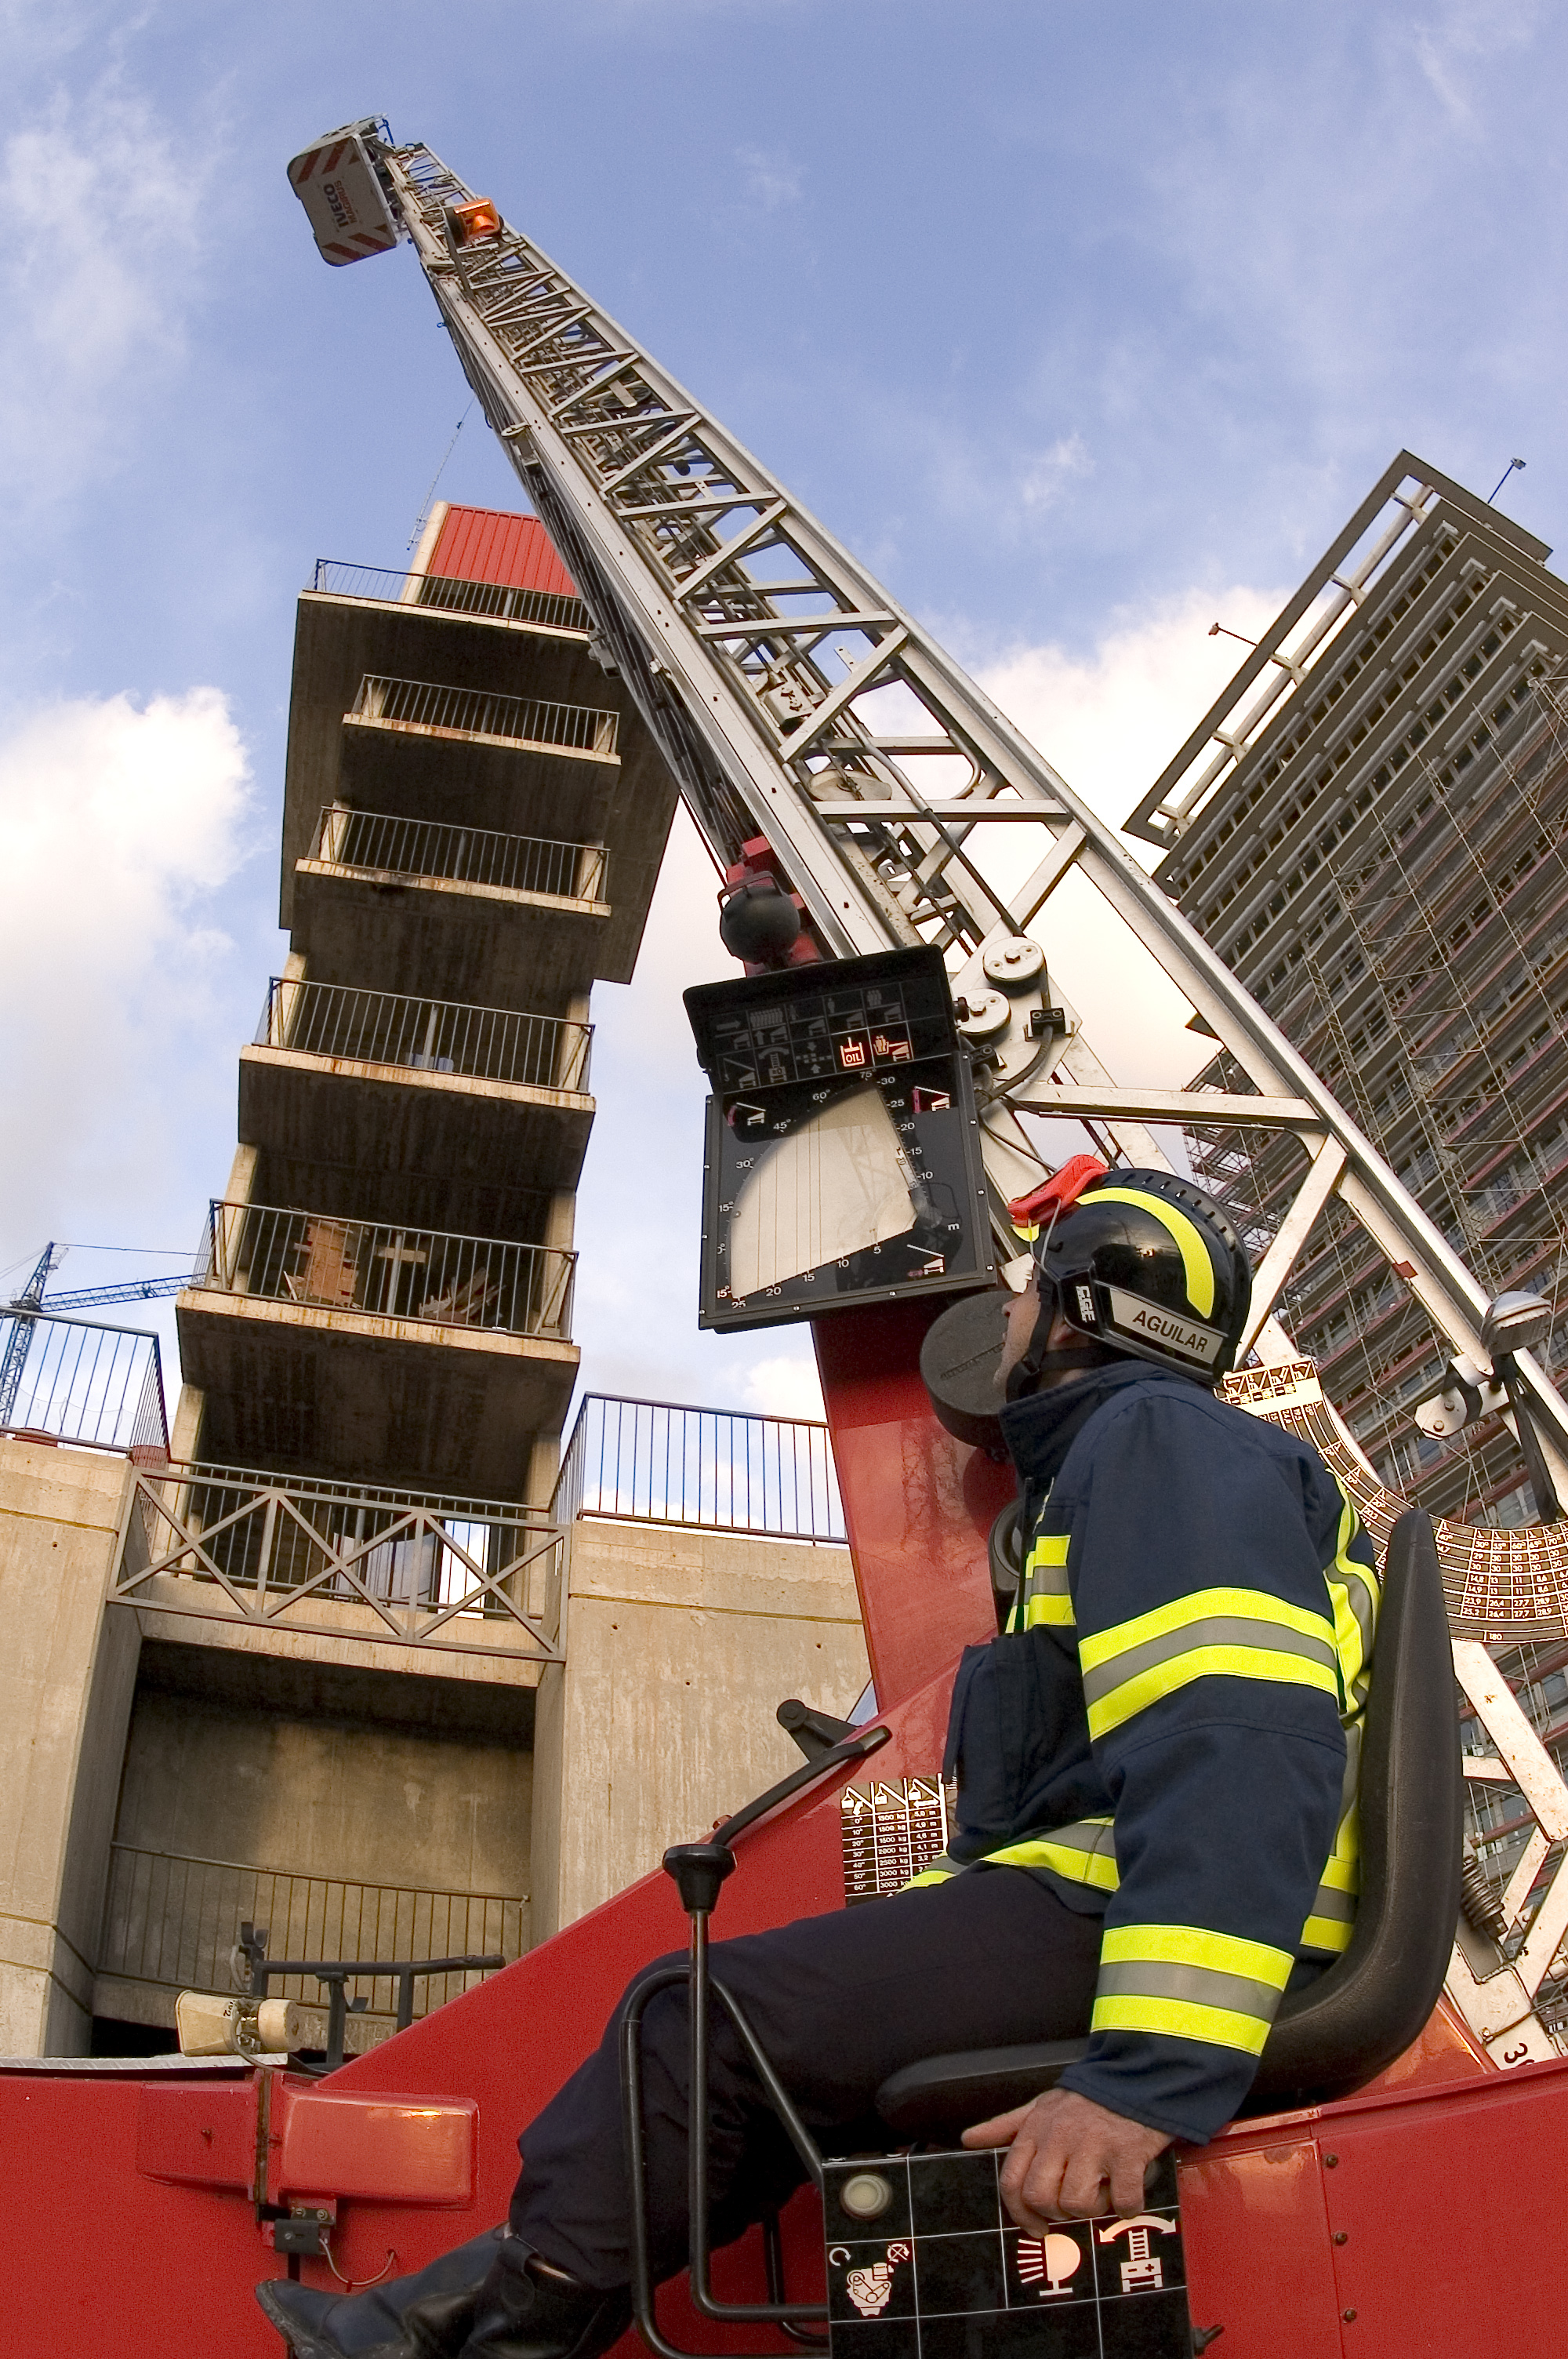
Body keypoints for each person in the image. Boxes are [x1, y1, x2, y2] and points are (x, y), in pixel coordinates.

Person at [259, 1167, 1377, 2359]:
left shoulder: (1159, 1443)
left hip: (1128, 1920)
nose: (999, 1320)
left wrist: (1146, 2077)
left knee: (693, 2019)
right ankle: (458, 2317)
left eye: (1019, 1296)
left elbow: (1238, 1747)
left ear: (1078, 1314)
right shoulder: (1150, 1465)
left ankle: (474, 2335)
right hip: (1119, 1904)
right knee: (746, 2071)